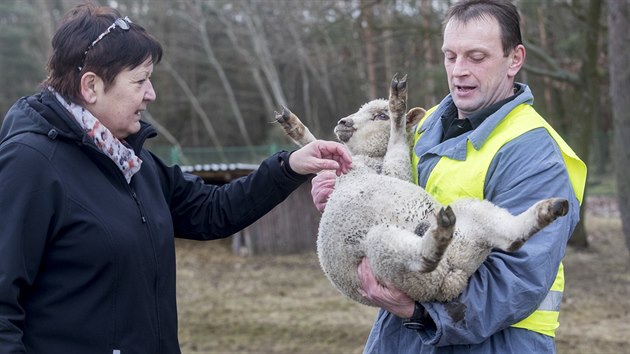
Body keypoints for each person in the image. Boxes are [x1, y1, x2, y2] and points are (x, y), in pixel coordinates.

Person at [0, 3, 352, 354]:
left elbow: (213, 210)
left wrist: (289, 166)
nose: (151, 93)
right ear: (91, 86)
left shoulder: (132, 162)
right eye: (140, 80)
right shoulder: (29, 164)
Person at [311, 0, 586, 353]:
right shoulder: (422, 130)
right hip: (401, 336)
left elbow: (519, 278)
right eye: (451, 56)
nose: (458, 71)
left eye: (476, 57)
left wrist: (422, 313)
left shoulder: (533, 151)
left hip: (498, 342)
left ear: (514, 59)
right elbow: (388, 199)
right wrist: (344, 194)